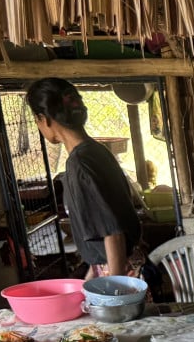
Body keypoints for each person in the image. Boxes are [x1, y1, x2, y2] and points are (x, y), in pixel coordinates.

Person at [25, 78, 143, 281]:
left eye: (36, 121)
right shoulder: (95, 152)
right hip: (114, 267)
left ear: (43, 119)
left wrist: (116, 290)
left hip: (118, 271)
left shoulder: (80, 164)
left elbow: (113, 234)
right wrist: (89, 281)